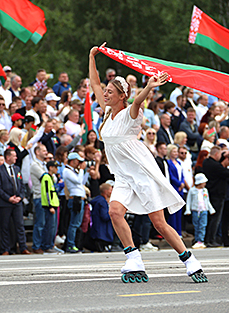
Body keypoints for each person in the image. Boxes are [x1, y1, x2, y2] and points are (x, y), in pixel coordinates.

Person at [89, 44, 207, 283]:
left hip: (142, 173)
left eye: (111, 91)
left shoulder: (130, 114)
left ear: (122, 95)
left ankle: (190, 260)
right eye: (107, 90)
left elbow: (137, 102)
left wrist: (148, 87)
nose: (106, 93)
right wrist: (92, 57)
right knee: (115, 211)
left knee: (159, 223)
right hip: (123, 176)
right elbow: (94, 84)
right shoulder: (106, 113)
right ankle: (133, 258)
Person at [0, 149, 31, 255]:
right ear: (8, 157)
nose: (16, 158)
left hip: (17, 202)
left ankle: (23, 247)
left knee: (19, 225)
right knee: (4, 226)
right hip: (5, 203)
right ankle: (5, 248)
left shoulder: (16, 169)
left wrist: (20, 196)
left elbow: (21, 184)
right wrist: (8, 198)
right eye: (14, 156)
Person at [63, 152, 87, 253]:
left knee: (76, 223)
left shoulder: (73, 171)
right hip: (75, 199)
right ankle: (70, 245)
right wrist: (81, 170)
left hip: (79, 198)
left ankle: (73, 244)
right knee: (73, 223)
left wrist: (85, 171)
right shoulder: (67, 171)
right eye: (78, 161)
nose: (79, 163)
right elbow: (78, 181)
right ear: (72, 161)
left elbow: (82, 182)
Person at [185, 173, 215, 249]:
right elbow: (188, 201)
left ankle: (201, 241)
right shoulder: (192, 190)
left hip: (204, 210)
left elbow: (207, 201)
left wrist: (211, 209)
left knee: (203, 226)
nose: (205, 184)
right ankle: (197, 240)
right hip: (195, 210)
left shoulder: (205, 190)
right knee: (196, 226)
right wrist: (188, 210)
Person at [40, 160, 61, 254]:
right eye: (55, 167)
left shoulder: (52, 177)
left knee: (53, 227)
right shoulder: (46, 177)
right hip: (50, 205)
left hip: (54, 204)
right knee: (49, 226)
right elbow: (47, 193)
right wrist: (50, 206)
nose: (57, 169)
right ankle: (47, 246)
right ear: (50, 167)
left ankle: (51, 245)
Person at [89, 182, 114, 252]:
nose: (112, 192)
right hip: (102, 232)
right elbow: (105, 216)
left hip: (97, 231)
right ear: (106, 191)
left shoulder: (98, 200)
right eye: (110, 190)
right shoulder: (102, 202)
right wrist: (112, 213)